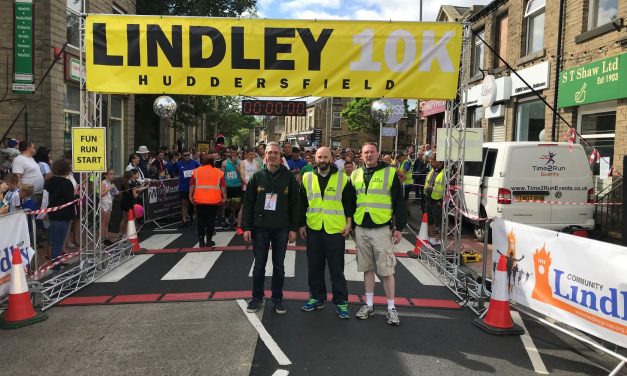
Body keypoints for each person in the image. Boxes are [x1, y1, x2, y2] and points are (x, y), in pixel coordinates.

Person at [351, 142, 406, 326]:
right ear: (361, 155)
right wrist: (350, 225)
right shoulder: (355, 174)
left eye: (372, 152)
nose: (368, 155)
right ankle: (369, 304)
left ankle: (391, 308)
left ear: (378, 154)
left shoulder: (390, 173)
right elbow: (352, 202)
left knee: (387, 270)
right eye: (365, 152)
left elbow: (399, 202)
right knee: (368, 268)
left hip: (382, 228)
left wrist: (399, 227)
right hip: (361, 228)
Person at [298, 147, 355, 319]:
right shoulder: (307, 177)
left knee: (336, 269)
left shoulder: (342, 178)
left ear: (331, 158)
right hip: (314, 228)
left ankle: (341, 302)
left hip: (335, 229)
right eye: (319, 157)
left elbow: (349, 203)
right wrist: (301, 225)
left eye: (325, 157)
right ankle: (316, 297)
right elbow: (302, 203)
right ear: (315, 159)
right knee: (314, 267)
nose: (322, 160)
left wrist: (349, 223)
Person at [242, 142, 299, 315]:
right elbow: (249, 203)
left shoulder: (288, 176)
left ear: (280, 155)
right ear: (265, 155)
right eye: (270, 152)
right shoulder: (257, 176)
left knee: (279, 266)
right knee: (259, 266)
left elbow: (295, 204)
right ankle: (256, 297)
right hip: (260, 229)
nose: (273, 155)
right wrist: (247, 227)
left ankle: (277, 299)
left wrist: (293, 228)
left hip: (281, 228)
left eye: (276, 152)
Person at [45, 158, 76, 270]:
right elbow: (70, 199)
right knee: (58, 241)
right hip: (63, 215)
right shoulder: (66, 183)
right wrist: (76, 196)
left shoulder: (51, 181)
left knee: (55, 240)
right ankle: (56, 265)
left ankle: (56, 261)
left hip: (53, 213)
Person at [189, 154, 226, 247]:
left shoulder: (196, 172)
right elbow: (223, 187)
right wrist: (224, 196)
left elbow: (192, 185)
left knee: (201, 221)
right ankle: (209, 240)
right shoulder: (218, 172)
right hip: (214, 200)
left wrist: (190, 196)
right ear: (213, 162)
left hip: (199, 200)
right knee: (211, 220)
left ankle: (201, 241)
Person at [12, 141, 45, 208]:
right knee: (31, 215)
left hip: (37, 193)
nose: (35, 149)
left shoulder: (31, 158)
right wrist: (23, 194)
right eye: (33, 147)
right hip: (29, 195)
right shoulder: (19, 160)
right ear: (28, 148)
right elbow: (17, 178)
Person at [172, 150, 200, 227]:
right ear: (182, 156)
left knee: (195, 204)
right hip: (183, 187)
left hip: (194, 187)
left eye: (188, 155)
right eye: (185, 155)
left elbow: (200, 171)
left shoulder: (194, 163)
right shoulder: (179, 163)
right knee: (184, 203)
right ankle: (184, 221)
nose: (187, 156)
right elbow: (174, 172)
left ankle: (197, 220)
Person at [239, 147, 262, 235]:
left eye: (253, 154)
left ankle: (253, 224)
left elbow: (259, 175)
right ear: (246, 154)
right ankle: (239, 226)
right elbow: (242, 175)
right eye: (250, 154)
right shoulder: (243, 162)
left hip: (255, 188)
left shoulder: (256, 163)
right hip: (246, 188)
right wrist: (249, 185)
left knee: (256, 206)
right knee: (243, 206)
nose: (252, 156)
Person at [423, 153, 445, 246]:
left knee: (440, 222)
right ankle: (432, 238)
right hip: (429, 199)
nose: (431, 163)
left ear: (439, 161)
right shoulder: (433, 170)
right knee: (430, 220)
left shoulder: (445, 172)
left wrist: (441, 201)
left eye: (433, 161)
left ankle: (441, 239)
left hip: (438, 201)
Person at [222, 146, 243, 229]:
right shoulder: (224, 163)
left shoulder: (240, 162)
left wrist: (235, 163)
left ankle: (236, 221)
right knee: (227, 204)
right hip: (228, 186)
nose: (233, 154)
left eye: (234, 152)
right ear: (229, 152)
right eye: (231, 152)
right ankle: (227, 221)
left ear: (236, 152)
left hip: (237, 186)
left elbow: (241, 173)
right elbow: (222, 176)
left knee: (237, 205)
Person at [100, 169, 119, 246]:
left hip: (109, 202)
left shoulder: (110, 183)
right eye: (110, 174)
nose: (112, 175)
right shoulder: (103, 182)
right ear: (106, 175)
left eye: (113, 174)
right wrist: (109, 188)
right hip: (104, 203)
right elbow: (101, 194)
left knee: (107, 222)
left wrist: (115, 190)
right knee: (103, 222)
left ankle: (106, 238)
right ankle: (101, 240)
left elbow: (115, 193)